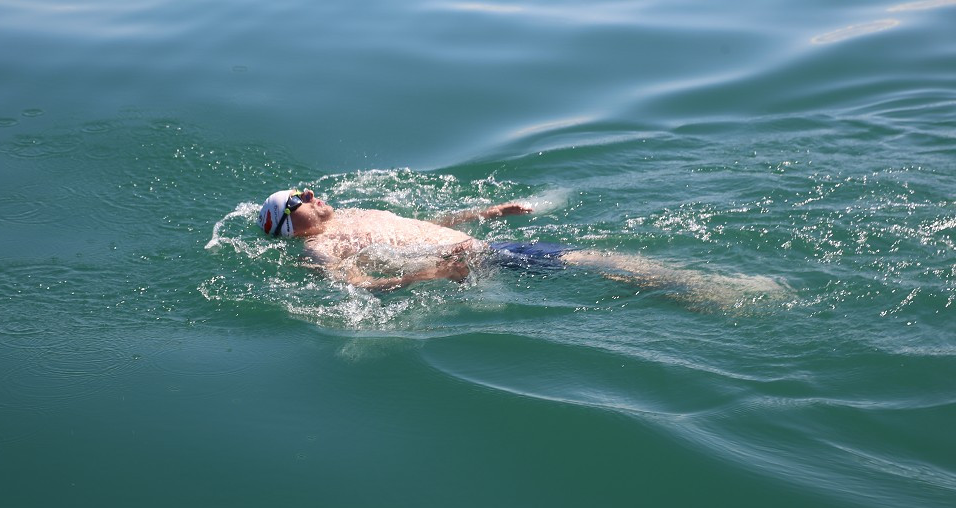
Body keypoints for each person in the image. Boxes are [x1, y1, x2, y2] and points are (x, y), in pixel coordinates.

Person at [254, 188, 789, 305]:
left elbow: (422, 224)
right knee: (590, 259)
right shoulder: (318, 251)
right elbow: (357, 287)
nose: (313, 194)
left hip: (480, 242)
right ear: (286, 223)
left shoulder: (354, 214)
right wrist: (429, 277)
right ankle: (710, 291)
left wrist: (484, 212)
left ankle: (691, 292)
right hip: (471, 262)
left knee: (590, 263)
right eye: (299, 197)